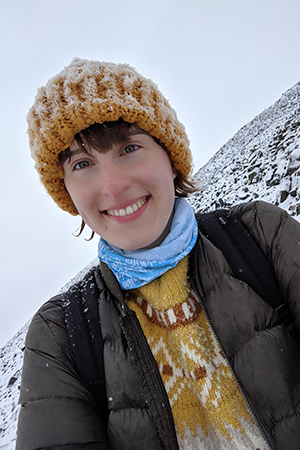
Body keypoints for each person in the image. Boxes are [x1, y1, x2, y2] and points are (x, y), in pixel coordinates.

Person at [16, 58, 300, 450]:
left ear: (170, 157)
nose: (113, 186)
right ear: (66, 191)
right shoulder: (60, 334)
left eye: (129, 147)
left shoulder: (259, 235)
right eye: (82, 164)